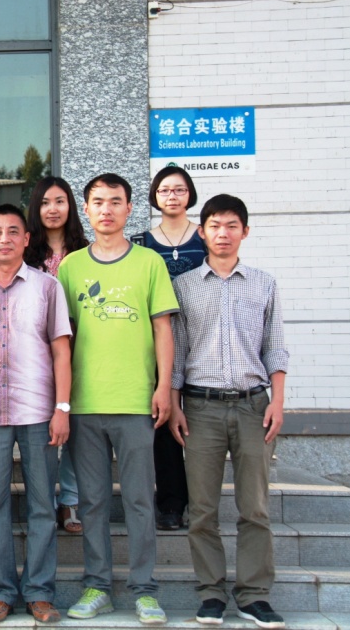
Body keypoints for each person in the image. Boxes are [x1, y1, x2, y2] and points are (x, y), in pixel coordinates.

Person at [57, 174, 178, 626]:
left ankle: (145, 590)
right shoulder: (70, 267)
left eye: (115, 201)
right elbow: (63, 340)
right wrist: (62, 401)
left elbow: (163, 329)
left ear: (129, 208)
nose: (106, 209)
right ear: (86, 209)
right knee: (91, 502)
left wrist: (163, 386)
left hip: (135, 401)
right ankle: (98, 586)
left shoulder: (149, 262)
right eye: (97, 202)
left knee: (140, 500)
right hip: (85, 403)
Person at [169, 194, 289, 629]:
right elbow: (178, 351)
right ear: (202, 232)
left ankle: (254, 595)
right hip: (200, 407)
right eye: (215, 226)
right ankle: (211, 593)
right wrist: (175, 405)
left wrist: (278, 401)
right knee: (202, 509)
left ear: (245, 231)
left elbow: (275, 347)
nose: (223, 233)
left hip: (254, 405)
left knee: (254, 507)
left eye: (232, 225)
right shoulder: (184, 286)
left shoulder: (263, 283)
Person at [0, 204, 72, 624]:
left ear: (26, 239)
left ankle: (39, 592)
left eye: (12, 232)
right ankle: (0, 592)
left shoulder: (47, 287)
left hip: (39, 409)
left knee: (42, 504)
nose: (4, 239)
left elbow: (61, 350)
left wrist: (62, 408)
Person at [140, 166, 207, 532]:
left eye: (179, 190)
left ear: (189, 194)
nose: (172, 196)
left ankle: (202, 502)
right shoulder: (143, 242)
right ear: (155, 196)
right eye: (165, 190)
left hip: (202, 340)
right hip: (160, 342)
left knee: (199, 427)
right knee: (165, 426)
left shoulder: (206, 236)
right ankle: (171, 504)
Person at [25, 176, 88, 536]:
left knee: (74, 425)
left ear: (70, 206)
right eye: (45, 202)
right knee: (42, 430)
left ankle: (71, 499)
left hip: (81, 350)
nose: (52, 209)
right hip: (36, 353)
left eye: (60, 201)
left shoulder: (87, 252)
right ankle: (44, 499)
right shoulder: (26, 254)